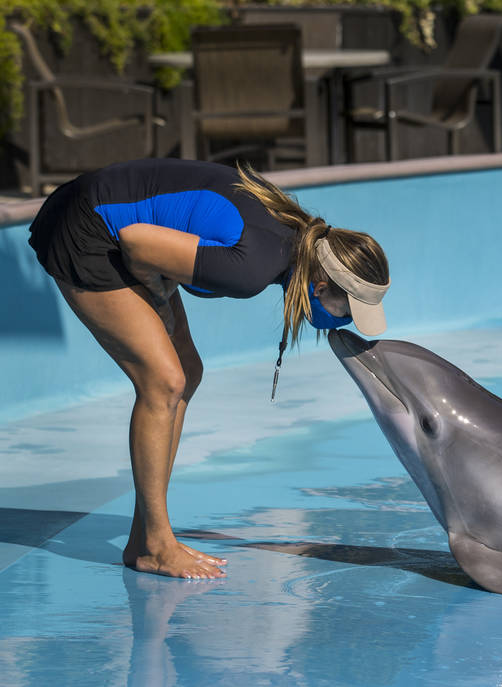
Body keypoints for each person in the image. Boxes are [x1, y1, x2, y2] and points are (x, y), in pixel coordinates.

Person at [27, 158, 390, 579]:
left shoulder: (293, 234)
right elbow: (137, 242)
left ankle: (143, 538)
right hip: (87, 227)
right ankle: (158, 546)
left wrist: (160, 296)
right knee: (164, 381)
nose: (345, 321)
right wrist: (159, 298)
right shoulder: (253, 268)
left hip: (106, 214)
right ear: (321, 286)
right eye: (347, 310)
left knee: (187, 371)